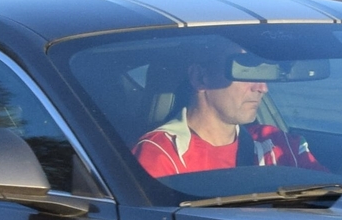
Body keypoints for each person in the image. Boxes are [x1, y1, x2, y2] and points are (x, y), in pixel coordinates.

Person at [134, 51, 325, 178]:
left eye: (263, 73)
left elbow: (335, 203)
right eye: (245, 70)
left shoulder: (279, 144)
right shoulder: (162, 155)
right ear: (200, 77)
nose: (262, 87)